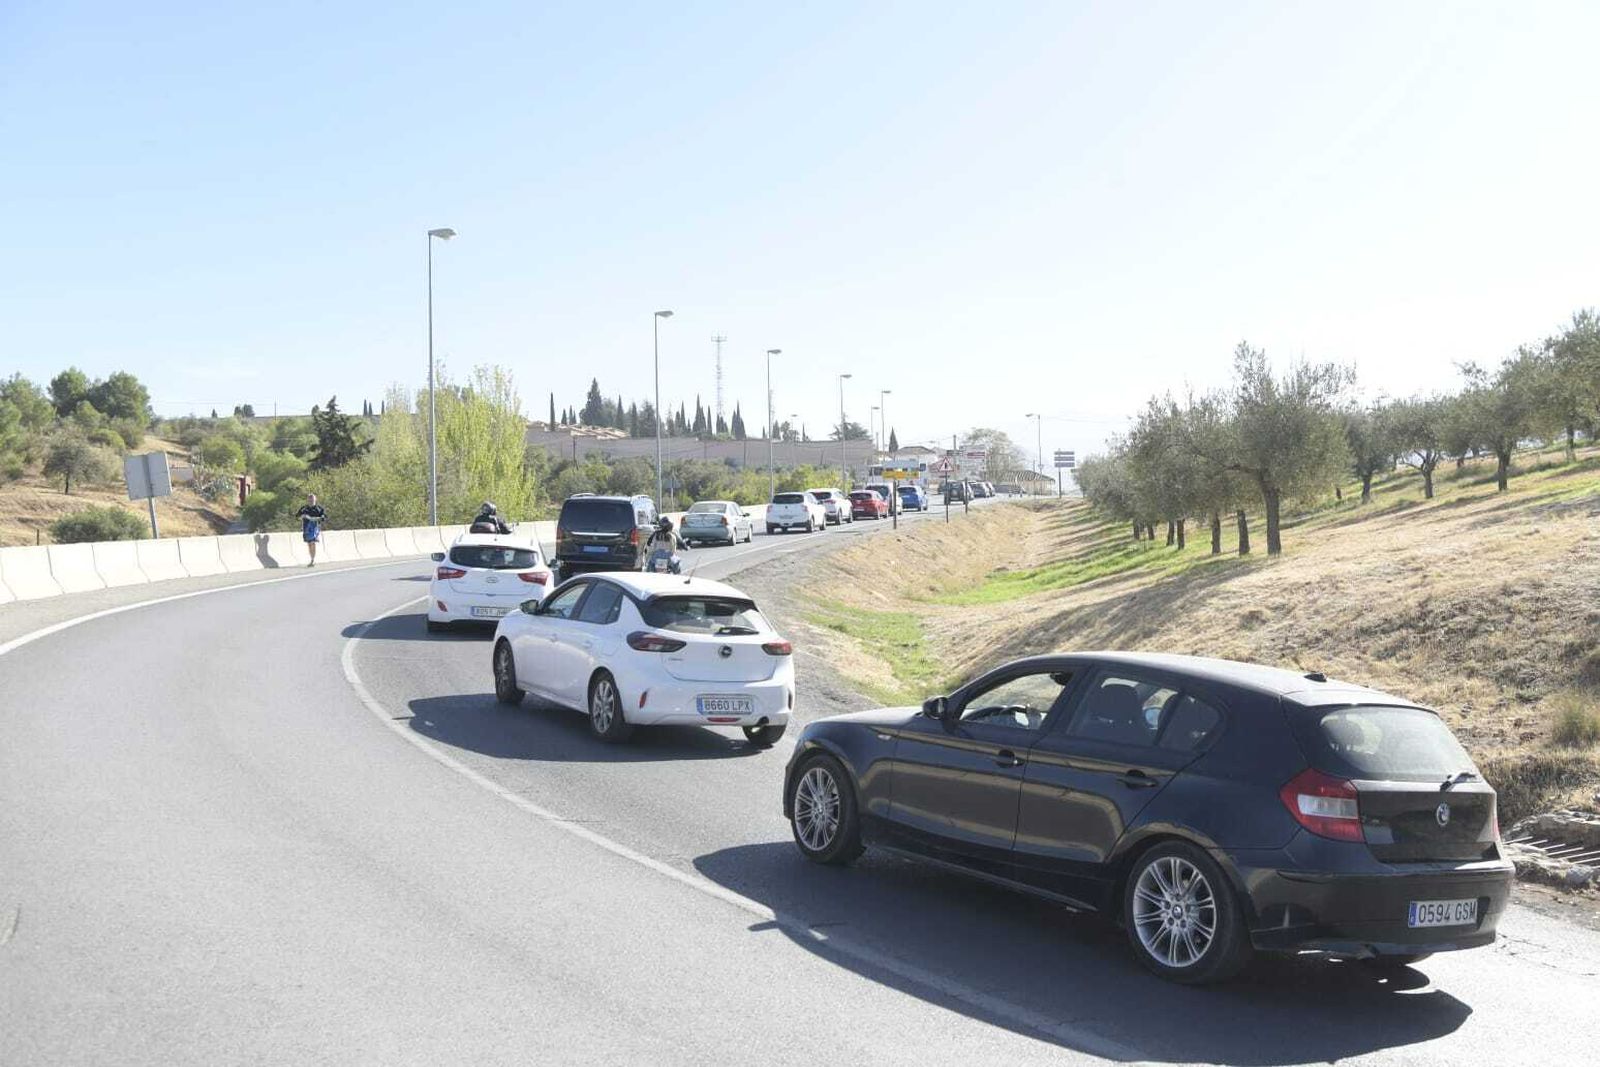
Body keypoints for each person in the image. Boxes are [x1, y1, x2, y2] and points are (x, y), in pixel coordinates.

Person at [296, 493, 327, 566]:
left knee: (313, 542)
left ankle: (313, 560)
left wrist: (319, 518)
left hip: (315, 528)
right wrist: (302, 516)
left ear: (315, 500)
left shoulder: (319, 508)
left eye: (312, 499)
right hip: (306, 528)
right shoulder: (304, 508)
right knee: (309, 544)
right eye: (309, 499)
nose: (311, 501)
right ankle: (311, 558)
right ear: (307, 500)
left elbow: (324, 517)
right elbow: (297, 517)